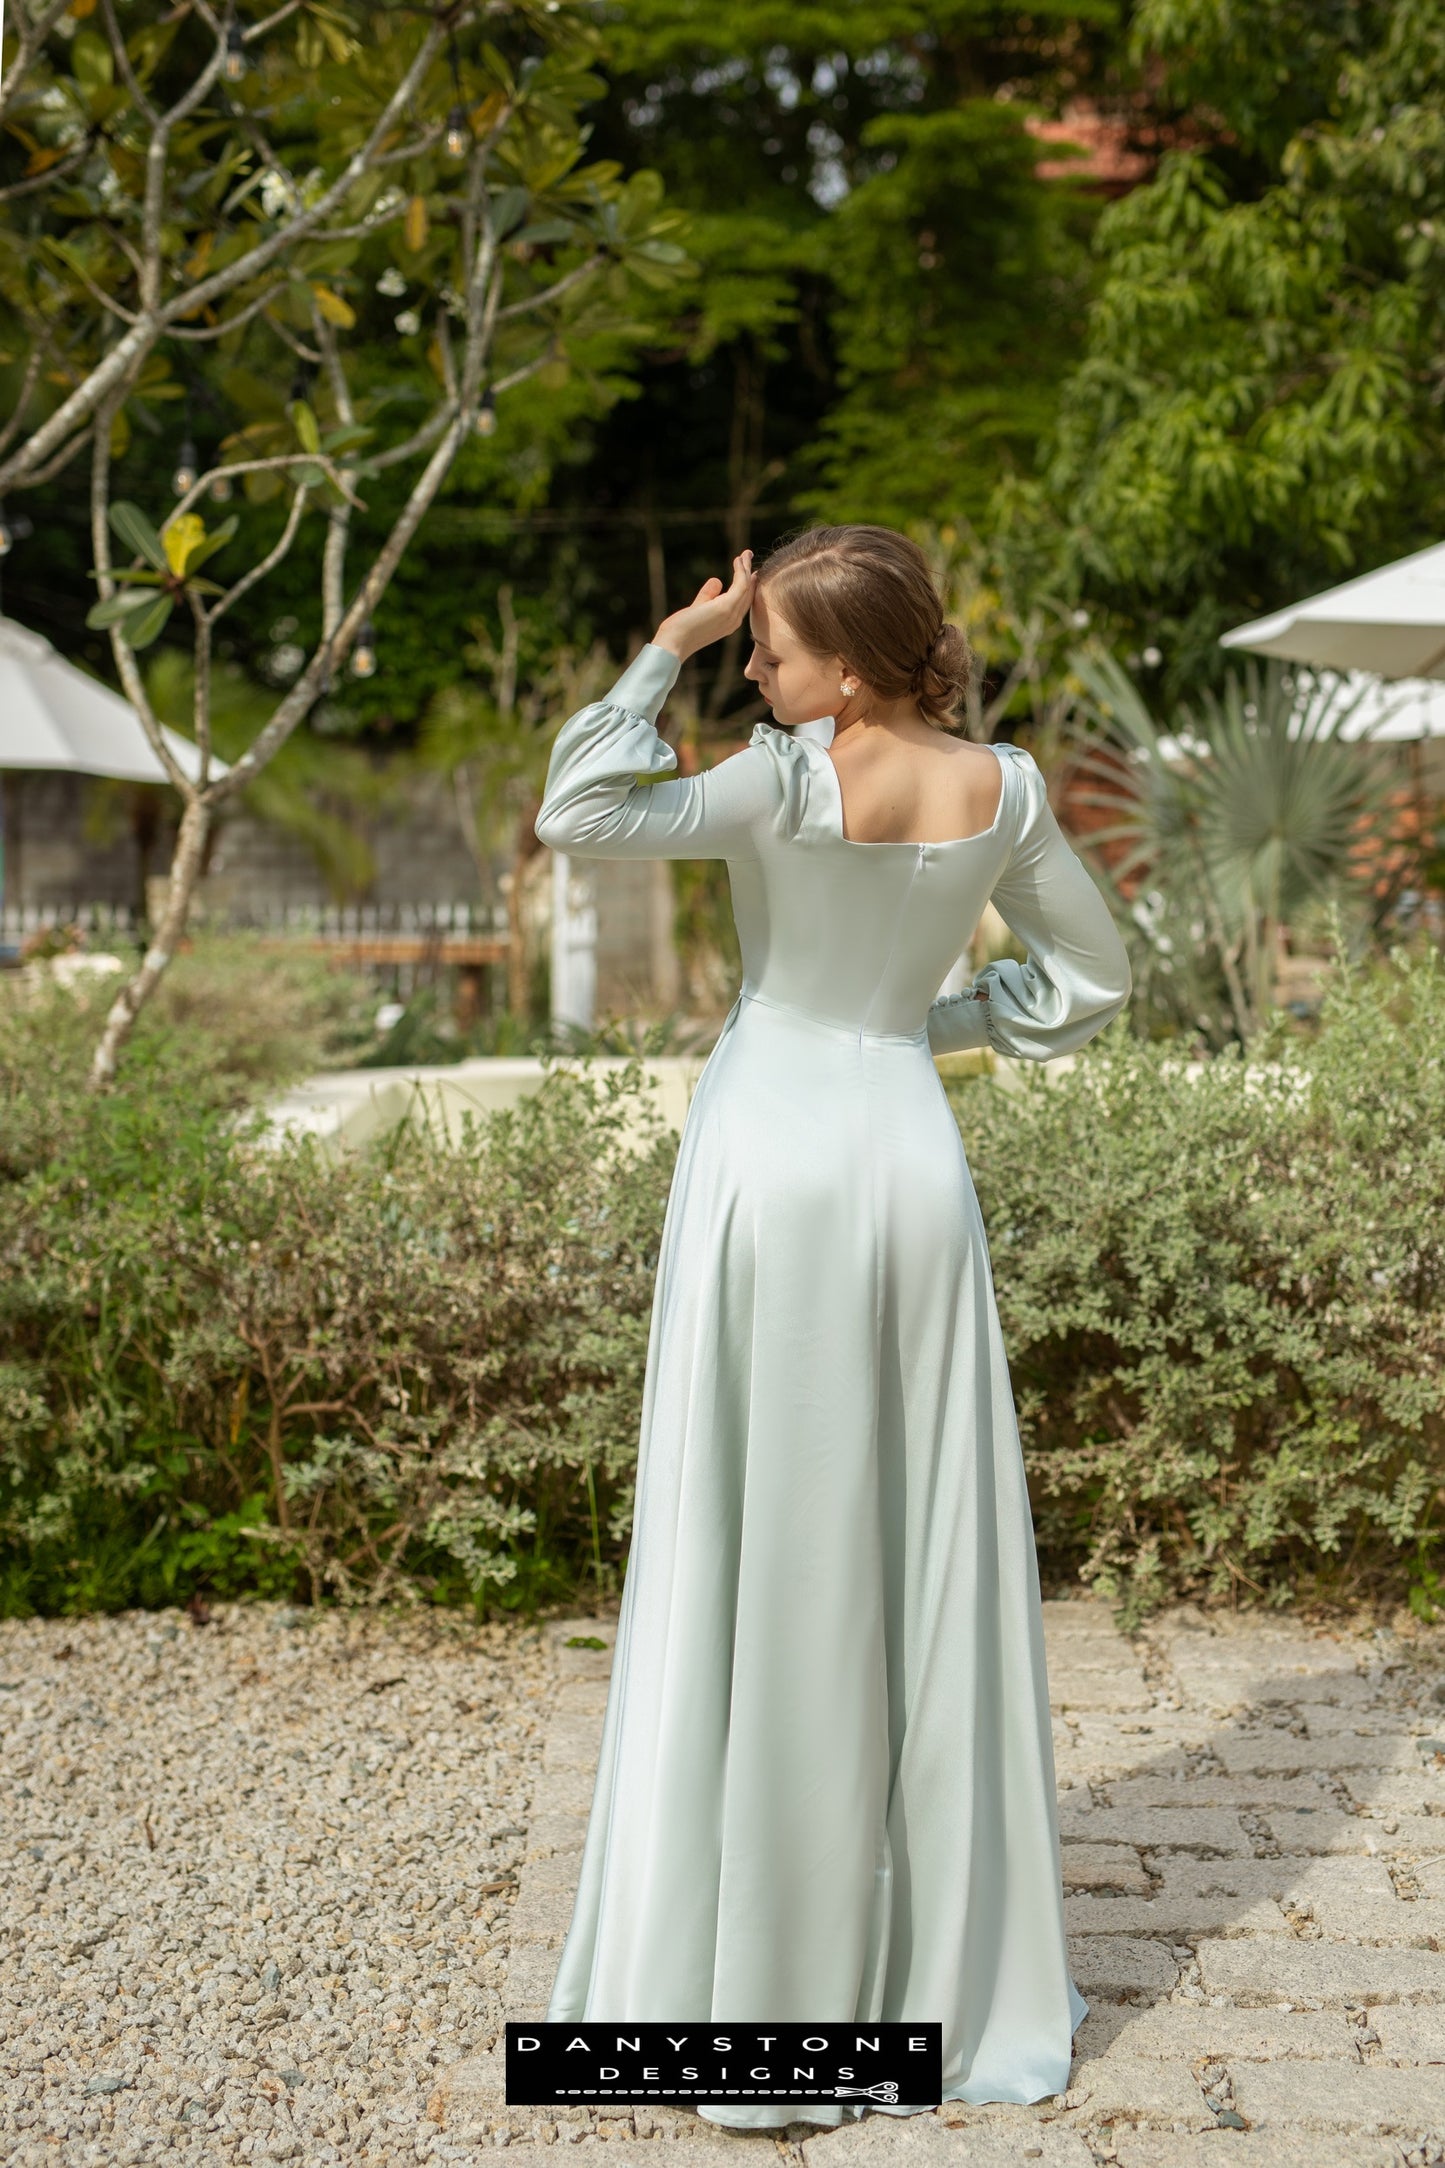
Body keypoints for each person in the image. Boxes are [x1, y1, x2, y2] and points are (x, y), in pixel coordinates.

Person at [532, 522, 1133, 2130]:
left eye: (772, 649)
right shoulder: (1002, 790)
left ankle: (747, 2010)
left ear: (849, 666)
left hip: (770, 1164)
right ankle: (934, 1993)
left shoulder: (779, 783)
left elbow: (576, 808)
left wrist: (657, 646)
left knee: (756, 1548)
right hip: (908, 1167)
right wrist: (924, 1017)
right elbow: (1092, 981)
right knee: (915, 1558)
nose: (753, 667)